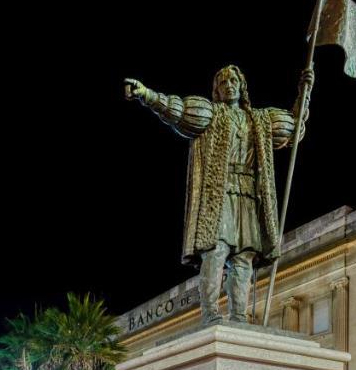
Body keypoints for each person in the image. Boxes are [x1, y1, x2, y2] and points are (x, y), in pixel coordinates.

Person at [125, 66, 308, 324]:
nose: (229, 84)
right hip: (218, 193)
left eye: (234, 80)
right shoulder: (209, 114)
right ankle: (210, 312)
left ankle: (238, 315)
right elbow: (176, 110)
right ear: (217, 90)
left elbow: (294, 130)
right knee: (215, 252)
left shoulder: (261, 119)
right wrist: (147, 94)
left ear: (242, 85)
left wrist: (303, 96)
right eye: (223, 82)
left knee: (244, 256)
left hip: (248, 195)